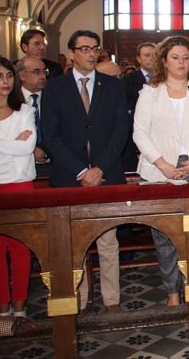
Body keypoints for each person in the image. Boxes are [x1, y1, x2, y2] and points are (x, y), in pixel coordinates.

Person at [41, 30, 128, 313]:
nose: (91, 54)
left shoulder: (112, 86)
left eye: (95, 49)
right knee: (72, 244)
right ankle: (77, 299)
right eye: (85, 49)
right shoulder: (55, 88)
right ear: (71, 54)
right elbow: (51, 136)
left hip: (107, 173)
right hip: (70, 177)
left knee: (107, 239)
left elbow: (120, 130)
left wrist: (100, 167)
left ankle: (112, 300)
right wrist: (81, 171)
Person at [133, 36, 189, 306]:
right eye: (175, 57)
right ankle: (172, 293)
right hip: (159, 173)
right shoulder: (151, 92)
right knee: (165, 237)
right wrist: (163, 164)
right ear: (164, 61)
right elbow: (140, 133)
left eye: (186, 58)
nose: (181, 63)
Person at [0, 57, 36, 320]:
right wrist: (9, 142)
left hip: (20, 183)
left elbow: (26, 148)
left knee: (19, 246)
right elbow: (14, 147)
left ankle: (20, 305)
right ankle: (2, 306)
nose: (5, 81)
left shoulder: (24, 111)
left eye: (8, 75)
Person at [122, 42, 156, 172]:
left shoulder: (167, 78)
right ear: (138, 58)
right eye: (147, 55)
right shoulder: (128, 80)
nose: (151, 58)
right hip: (136, 132)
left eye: (154, 55)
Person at [16, 56, 50, 176]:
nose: (43, 76)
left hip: (51, 164)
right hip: (19, 167)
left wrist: (45, 149)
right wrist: (30, 150)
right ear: (22, 76)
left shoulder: (53, 98)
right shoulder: (12, 100)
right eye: (36, 72)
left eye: (44, 72)